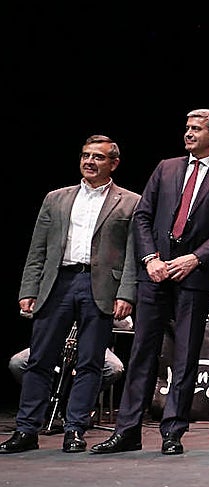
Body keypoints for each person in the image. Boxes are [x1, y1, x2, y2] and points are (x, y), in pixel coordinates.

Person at [92, 109, 209, 456]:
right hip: (157, 274)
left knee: (186, 354)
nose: (188, 134)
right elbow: (143, 216)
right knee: (143, 352)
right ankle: (127, 430)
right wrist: (151, 260)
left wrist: (195, 258)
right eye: (187, 128)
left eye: (196, 129)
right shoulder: (166, 167)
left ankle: (173, 431)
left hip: (195, 276)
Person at [2, 136, 139, 454]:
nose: (90, 161)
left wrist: (126, 293)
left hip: (100, 286)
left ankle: (75, 429)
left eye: (98, 157)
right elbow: (38, 247)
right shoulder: (57, 198)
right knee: (39, 360)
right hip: (59, 283)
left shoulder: (130, 201)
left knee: (91, 362)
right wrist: (29, 288)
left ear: (113, 163)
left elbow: (132, 254)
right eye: (86, 155)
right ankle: (26, 430)